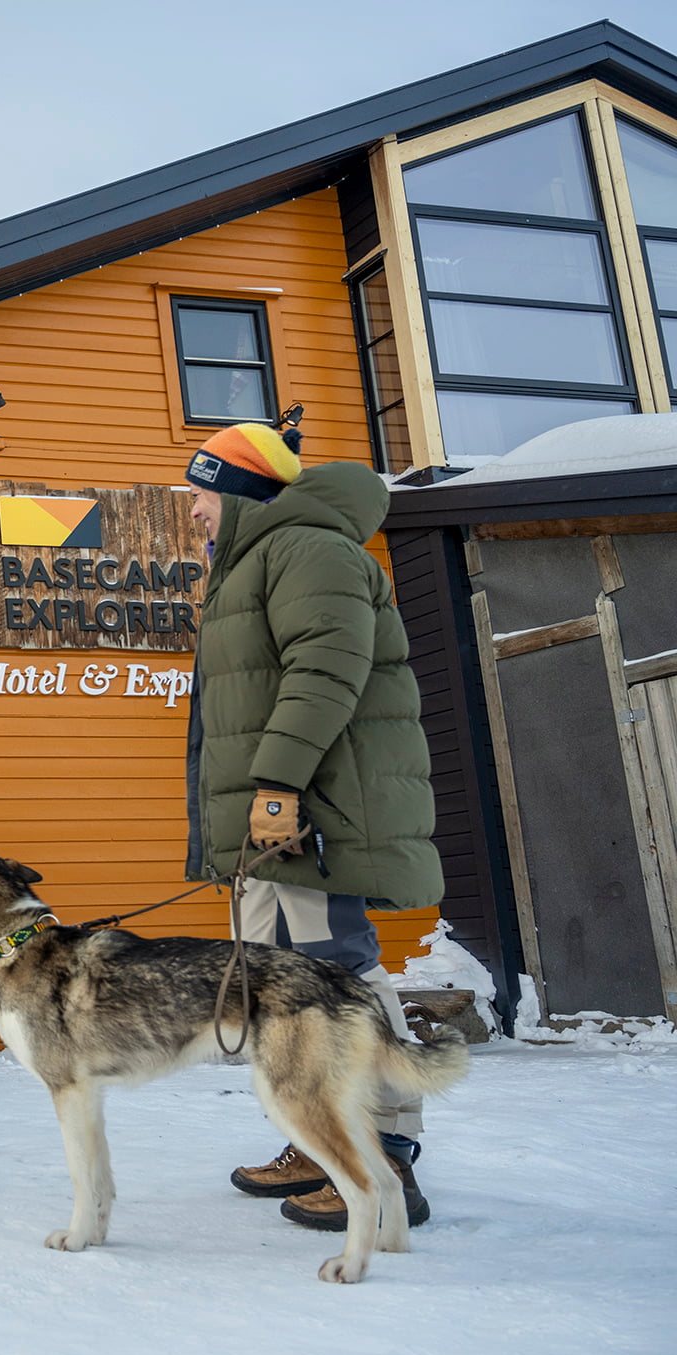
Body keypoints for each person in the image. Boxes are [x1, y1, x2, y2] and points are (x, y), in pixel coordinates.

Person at [182, 421, 445, 1228]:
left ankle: (388, 1153)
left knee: (339, 972)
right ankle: (320, 1136)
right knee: (282, 981)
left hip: (308, 812)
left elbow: (325, 671)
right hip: (271, 824)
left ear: (240, 492)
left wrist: (277, 785)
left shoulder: (310, 550)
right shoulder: (256, 562)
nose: (192, 511)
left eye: (201, 492)